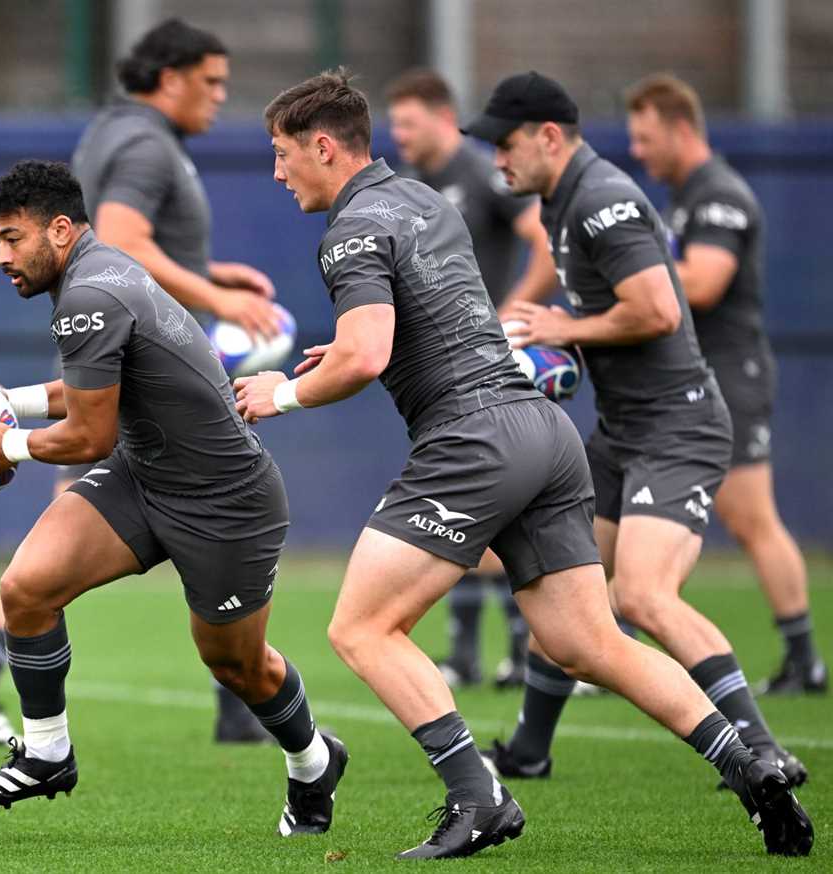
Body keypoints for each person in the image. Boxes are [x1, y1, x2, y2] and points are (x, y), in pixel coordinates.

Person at [235, 68, 811, 859]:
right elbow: (426, 324)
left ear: (324, 148)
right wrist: (359, 351)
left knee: (363, 627)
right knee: (590, 642)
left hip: (474, 440)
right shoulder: (427, 201)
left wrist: (281, 397)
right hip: (545, 433)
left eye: (281, 153)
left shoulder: (351, 229)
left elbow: (368, 355)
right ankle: (749, 766)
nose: (276, 171)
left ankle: (479, 798)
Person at [0, 159, 347, 836]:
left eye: (13, 239)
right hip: (146, 475)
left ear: (62, 231)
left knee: (237, 665)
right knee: (26, 589)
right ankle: (47, 755)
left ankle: (313, 761)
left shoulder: (90, 293)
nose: (1, 257)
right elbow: (93, 394)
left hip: (226, 501)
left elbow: (90, 435)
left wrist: (3, 444)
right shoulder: (96, 274)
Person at [0, 17, 279, 747]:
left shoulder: (120, 134)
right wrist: (217, 301)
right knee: (77, 530)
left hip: (127, 347)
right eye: (211, 82)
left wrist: (209, 275)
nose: (220, 97)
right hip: (133, 351)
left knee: (78, 531)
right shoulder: (144, 142)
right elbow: (120, 239)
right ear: (170, 76)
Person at [462, 71, 809, 791]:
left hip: (678, 426)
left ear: (549, 137)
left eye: (505, 142)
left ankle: (762, 748)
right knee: (564, 587)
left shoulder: (602, 200)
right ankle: (529, 750)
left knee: (642, 598)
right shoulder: (560, 200)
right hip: (624, 432)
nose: (496, 158)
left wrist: (563, 328)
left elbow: (660, 310)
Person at [625, 73, 824, 696]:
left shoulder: (720, 194)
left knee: (751, 518)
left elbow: (706, 283)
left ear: (682, 129)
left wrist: (631, 281)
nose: (638, 151)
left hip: (731, 375)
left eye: (646, 136)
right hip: (688, 384)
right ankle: (613, 644)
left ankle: (804, 658)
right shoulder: (683, 196)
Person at [384, 67, 559, 690]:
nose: (398, 134)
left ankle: (522, 648)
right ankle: (469, 652)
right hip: (437, 374)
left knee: (490, 502)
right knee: (463, 507)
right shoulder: (406, 186)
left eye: (407, 122)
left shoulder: (482, 174)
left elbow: (541, 239)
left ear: (439, 115)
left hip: (488, 369)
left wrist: (511, 311)